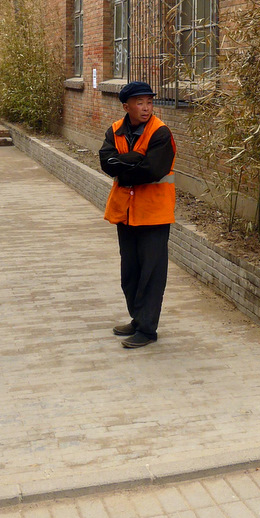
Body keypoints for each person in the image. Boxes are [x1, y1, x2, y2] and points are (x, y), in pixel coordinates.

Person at [99, 81, 176, 349]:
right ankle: (137, 318)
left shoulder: (160, 133)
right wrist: (133, 160)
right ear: (126, 106)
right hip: (125, 213)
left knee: (152, 274)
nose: (146, 108)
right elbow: (105, 162)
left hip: (154, 214)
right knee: (130, 271)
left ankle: (147, 329)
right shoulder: (115, 131)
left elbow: (152, 170)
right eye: (140, 103)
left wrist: (125, 164)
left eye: (149, 102)